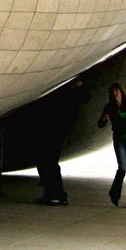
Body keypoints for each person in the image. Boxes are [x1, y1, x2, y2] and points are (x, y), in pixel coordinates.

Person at [33, 78, 89, 206]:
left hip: (55, 130)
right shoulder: (70, 96)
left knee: (49, 162)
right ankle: (54, 193)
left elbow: (84, 96)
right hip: (56, 130)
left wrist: (78, 86)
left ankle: (55, 194)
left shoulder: (69, 96)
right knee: (48, 162)